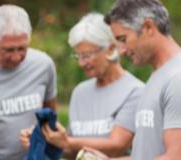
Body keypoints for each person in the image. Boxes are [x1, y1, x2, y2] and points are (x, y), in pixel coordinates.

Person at [20, 12, 144, 159]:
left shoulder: (135, 92)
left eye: (86, 55)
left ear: (110, 48)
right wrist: (45, 141)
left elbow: (117, 146)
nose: (81, 63)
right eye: (77, 56)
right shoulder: (80, 91)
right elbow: (74, 151)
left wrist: (66, 142)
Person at [84, 0, 181, 159]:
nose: (121, 51)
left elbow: (175, 156)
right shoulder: (159, 74)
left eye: (123, 39)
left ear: (148, 27)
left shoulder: (177, 78)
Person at [0, 4, 58, 160]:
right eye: (8, 50)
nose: (16, 57)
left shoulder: (43, 65)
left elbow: (50, 119)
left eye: (22, 48)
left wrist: (38, 135)